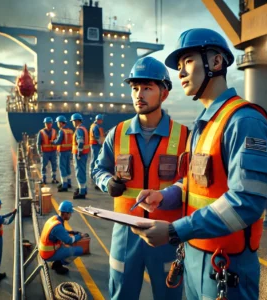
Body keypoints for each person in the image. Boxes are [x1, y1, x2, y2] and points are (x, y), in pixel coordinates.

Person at [131, 28, 267, 300]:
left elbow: (246, 201)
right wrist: (164, 196)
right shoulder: (203, 125)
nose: (181, 72)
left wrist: (175, 230)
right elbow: (194, 184)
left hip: (226, 267)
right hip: (195, 258)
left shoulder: (244, 121)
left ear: (216, 62)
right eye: (179, 66)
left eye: (187, 61)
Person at [93, 57, 188, 300]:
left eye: (147, 87)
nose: (139, 94)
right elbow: (98, 170)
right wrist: (107, 182)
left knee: (169, 296)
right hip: (126, 234)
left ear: (164, 94)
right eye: (135, 88)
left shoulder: (184, 135)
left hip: (166, 233)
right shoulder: (117, 133)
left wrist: (165, 197)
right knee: (121, 294)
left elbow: (190, 182)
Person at [39, 200, 88, 274]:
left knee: (66, 245)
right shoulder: (58, 226)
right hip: (48, 254)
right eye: (70, 213)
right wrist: (80, 236)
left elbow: (60, 231)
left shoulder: (54, 219)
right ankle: (57, 264)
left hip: (45, 249)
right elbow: (69, 240)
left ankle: (57, 260)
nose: (70, 215)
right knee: (79, 250)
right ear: (65, 213)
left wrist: (71, 232)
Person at [70, 113, 90, 199]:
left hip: (80, 154)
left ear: (77, 121)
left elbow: (80, 142)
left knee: (79, 172)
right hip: (85, 154)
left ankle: (82, 192)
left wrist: (79, 153)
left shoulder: (78, 130)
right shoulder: (84, 129)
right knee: (82, 171)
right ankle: (83, 188)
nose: (72, 123)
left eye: (73, 121)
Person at [52, 116, 73, 192]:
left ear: (61, 123)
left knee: (62, 168)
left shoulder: (62, 131)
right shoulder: (70, 131)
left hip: (62, 152)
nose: (57, 124)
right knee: (68, 167)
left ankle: (64, 185)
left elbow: (58, 141)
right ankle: (68, 182)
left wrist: (53, 142)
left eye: (58, 122)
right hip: (68, 151)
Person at [36, 117, 58, 184]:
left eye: (49, 123)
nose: (48, 124)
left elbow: (57, 140)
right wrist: (39, 152)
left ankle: (54, 178)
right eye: (47, 123)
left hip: (53, 152)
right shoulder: (41, 132)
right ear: (44, 124)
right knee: (44, 166)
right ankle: (44, 179)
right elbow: (38, 143)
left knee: (54, 165)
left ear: (51, 124)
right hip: (45, 152)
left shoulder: (54, 131)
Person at [89, 114, 105, 183]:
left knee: (95, 159)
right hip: (95, 145)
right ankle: (92, 173)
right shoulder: (95, 127)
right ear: (99, 120)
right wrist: (101, 143)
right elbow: (96, 136)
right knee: (94, 159)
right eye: (101, 120)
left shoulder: (96, 126)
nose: (102, 121)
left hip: (96, 145)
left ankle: (93, 173)